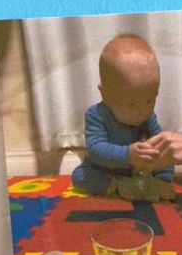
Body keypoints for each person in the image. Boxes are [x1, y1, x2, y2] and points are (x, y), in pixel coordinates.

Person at [71, 35, 175, 202]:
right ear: (105, 95)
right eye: (131, 104)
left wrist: (164, 178)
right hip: (105, 170)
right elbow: (95, 149)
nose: (142, 111)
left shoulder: (149, 117)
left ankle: (156, 183)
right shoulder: (96, 115)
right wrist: (128, 155)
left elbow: (161, 146)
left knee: (165, 149)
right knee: (79, 175)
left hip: (141, 173)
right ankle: (117, 186)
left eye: (150, 100)